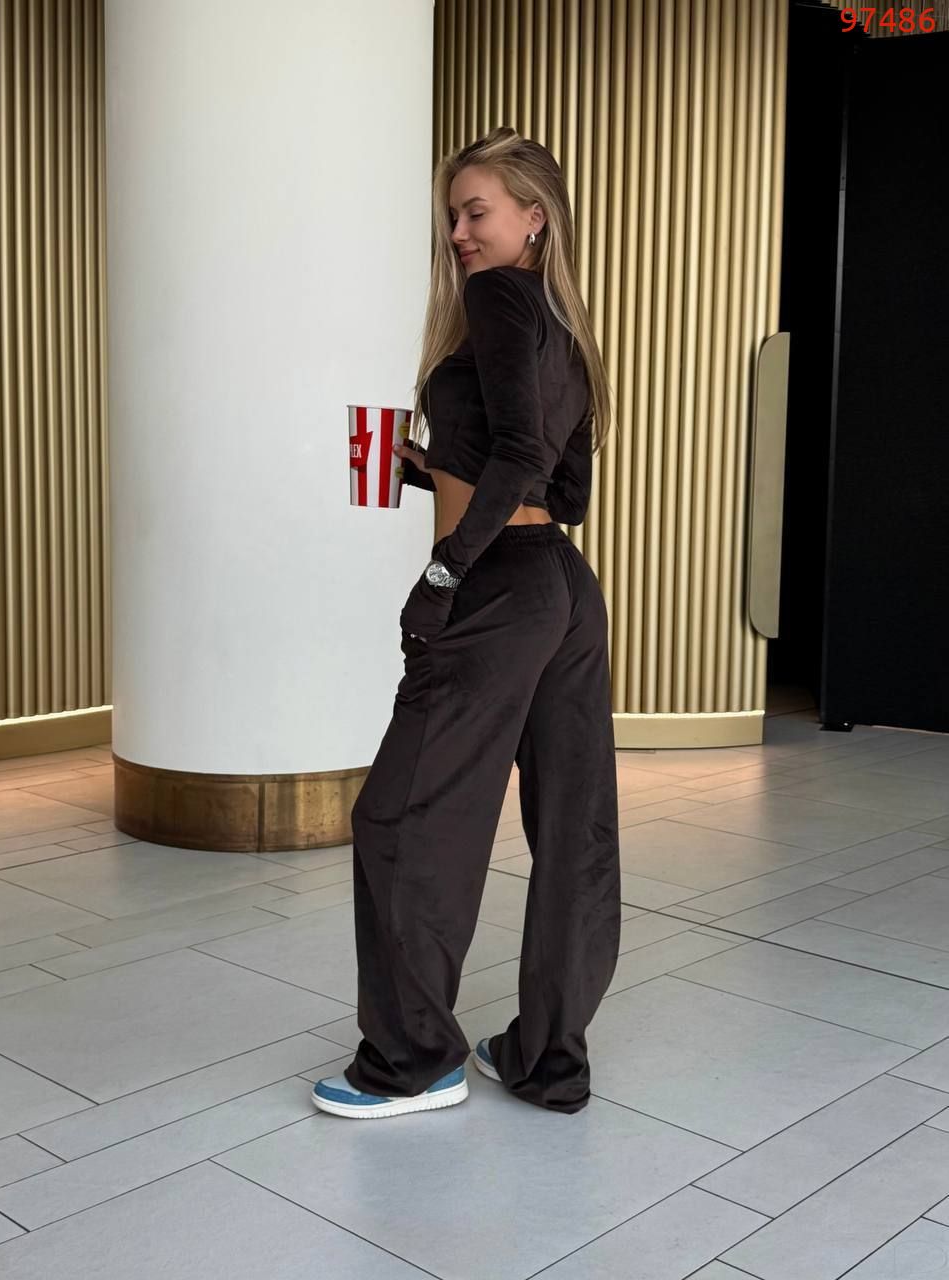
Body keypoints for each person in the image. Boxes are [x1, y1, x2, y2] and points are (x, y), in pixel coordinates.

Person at [313, 126, 622, 1120]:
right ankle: (546, 1059)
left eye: (475, 211)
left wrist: (443, 570)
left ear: (533, 216)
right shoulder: (566, 324)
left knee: (401, 817)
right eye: (452, 214)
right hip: (561, 587)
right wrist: (425, 470)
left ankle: (411, 1061)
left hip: (495, 589)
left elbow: (522, 456)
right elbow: (560, 490)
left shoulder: (497, 297)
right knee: (573, 829)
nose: (457, 231)